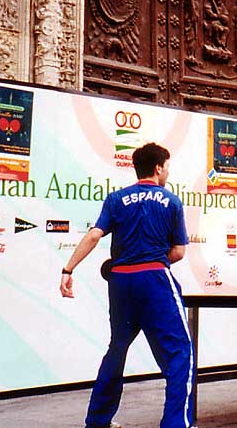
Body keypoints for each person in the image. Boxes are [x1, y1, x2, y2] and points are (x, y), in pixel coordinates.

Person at [59, 142, 194, 428]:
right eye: (167, 165)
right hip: (154, 279)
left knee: (117, 347)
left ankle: (97, 420)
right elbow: (179, 252)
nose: (168, 171)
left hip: (120, 281)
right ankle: (175, 424)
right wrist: (151, 262)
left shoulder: (116, 199)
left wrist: (68, 269)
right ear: (158, 168)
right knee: (180, 353)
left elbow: (95, 235)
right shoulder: (171, 201)